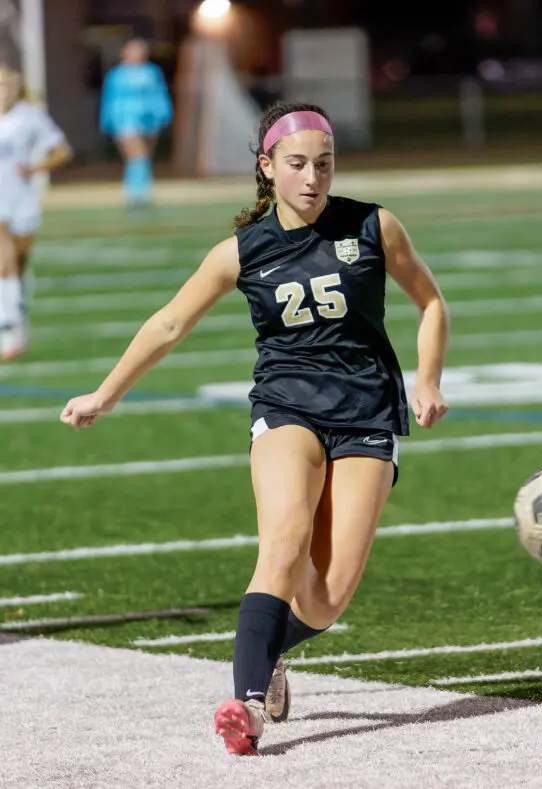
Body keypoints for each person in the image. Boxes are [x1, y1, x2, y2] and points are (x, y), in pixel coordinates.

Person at [59, 101, 451, 754]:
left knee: (326, 599)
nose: (312, 179)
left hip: (366, 412)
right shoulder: (241, 251)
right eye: (296, 164)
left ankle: (270, 651)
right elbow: (168, 324)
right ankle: (245, 704)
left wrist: (429, 377)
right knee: (285, 539)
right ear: (267, 167)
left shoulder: (374, 225)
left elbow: (430, 300)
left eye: (323, 164)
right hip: (286, 406)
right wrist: (105, 393)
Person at [0, 57, 72, 360]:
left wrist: (34, 168)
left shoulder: (30, 117)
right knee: (4, 261)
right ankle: (8, 327)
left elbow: (62, 151)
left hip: (22, 201)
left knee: (19, 264)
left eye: (7, 85)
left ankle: (17, 314)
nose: (3, 90)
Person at [99, 38, 173, 209]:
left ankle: (141, 189)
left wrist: (163, 114)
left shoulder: (151, 72)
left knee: (144, 156)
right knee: (136, 155)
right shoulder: (117, 75)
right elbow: (109, 99)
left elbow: (159, 94)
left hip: (149, 118)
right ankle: (136, 192)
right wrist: (108, 120)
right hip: (125, 119)